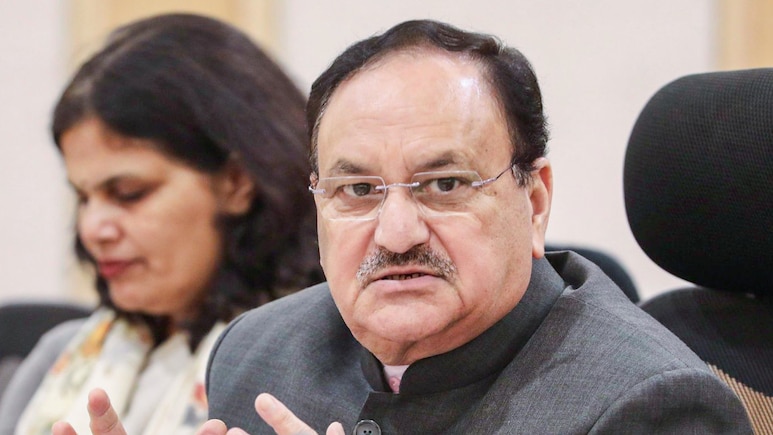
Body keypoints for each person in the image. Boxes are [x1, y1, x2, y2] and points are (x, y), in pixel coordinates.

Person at [55, 19, 753, 435]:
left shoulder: (647, 405)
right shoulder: (258, 351)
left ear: (534, 200)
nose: (395, 233)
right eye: (357, 190)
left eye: (444, 184)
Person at [0, 13, 322, 435]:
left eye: (128, 192)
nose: (93, 229)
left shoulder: (328, 365)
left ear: (236, 182)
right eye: (83, 197)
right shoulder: (59, 355)